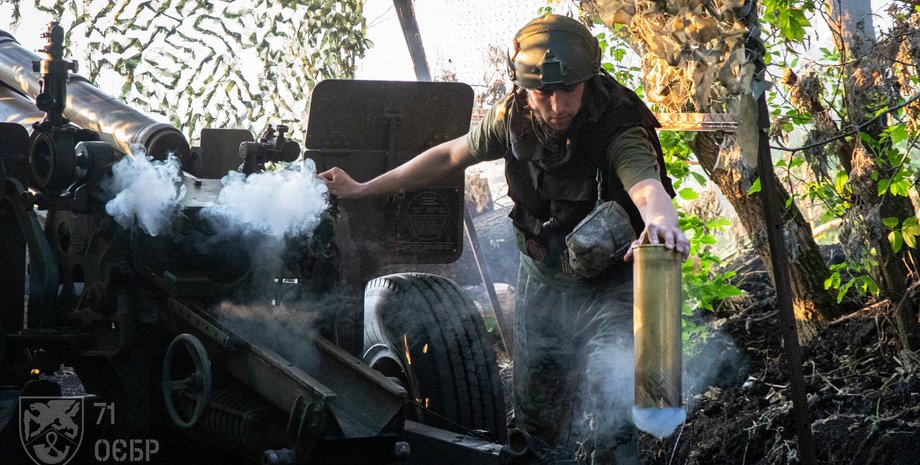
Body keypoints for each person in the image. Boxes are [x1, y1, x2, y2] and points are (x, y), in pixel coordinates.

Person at [319, 14, 689, 465]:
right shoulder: (511, 116)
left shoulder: (617, 124)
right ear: (526, 89)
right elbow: (449, 156)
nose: (556, 105)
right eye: (543, 92)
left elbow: (645, 183)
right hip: (543, 279)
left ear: (588, 81)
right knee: (536, 424)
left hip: (611, 286)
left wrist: (661, 222)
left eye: (568, 89)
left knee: (612, 413)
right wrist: (361, 188)